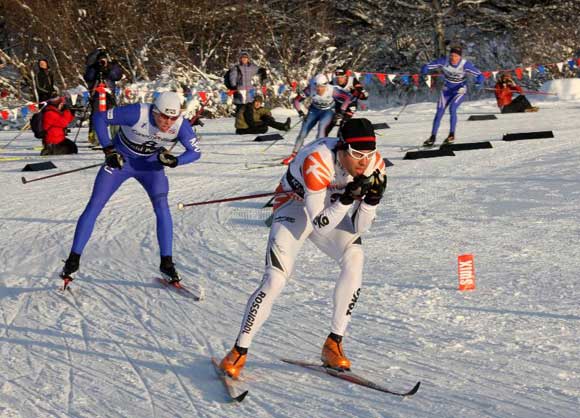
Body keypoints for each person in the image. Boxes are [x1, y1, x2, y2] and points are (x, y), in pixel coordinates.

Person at [218, 118, 387, 379]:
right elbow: (319, 224)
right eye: (356, 154)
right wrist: (345, 199)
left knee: (355, 256)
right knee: (275, 279)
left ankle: (334, 343)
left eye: (369, 154)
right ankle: (239, 350)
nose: (363, 162)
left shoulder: (375, 165)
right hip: (295, 208)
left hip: (330, 208)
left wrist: (371, 201)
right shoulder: (318, 160)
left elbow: (361, 227)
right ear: (341, 149)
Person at [59, 92, 201, 287]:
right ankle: (73, 260)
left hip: (150, 166)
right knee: (95, 205)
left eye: (173, 117)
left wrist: (176, 161)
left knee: (162, 207)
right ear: (154, 111)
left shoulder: (181, 125)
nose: (168, 122)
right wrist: (108, 150)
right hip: (121, 162)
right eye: (163, 117)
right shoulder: (137, 112)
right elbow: (99, 118)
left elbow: (195, 152)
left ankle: (167, 263)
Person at [282, 74, 353, 165]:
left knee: (321, 131)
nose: (319, 89)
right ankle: (294, 155)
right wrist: (300, 112)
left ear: (326, 85)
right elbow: (296, 100)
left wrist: (342, 111)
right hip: (314, 111)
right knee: (302, 133)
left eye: (322, 87)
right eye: (317, 87)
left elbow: (348, 98)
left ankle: (319, 155)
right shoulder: (310, 89)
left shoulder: (333, 90)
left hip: (327, 111)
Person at [420, 46, 483, 146]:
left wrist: (479, 83)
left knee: (452, 109)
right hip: (447, 90)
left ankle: (451, 135)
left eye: (456, 56)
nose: (453, 58)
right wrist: (424, 72)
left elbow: (479, 75)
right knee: (439, 111)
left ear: (460, 57)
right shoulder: (444, 61)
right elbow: (427, 66)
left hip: (459, 90)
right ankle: (432, 137)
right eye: (452, 55)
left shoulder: (465, 64)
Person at [84, 48, 123, 145]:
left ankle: (116, 136)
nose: (102, 62)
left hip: (109, 93)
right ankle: (94, 136)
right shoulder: (93, 68)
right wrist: (96, 69)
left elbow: (117, 76)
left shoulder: (111, 66)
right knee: (96, 114)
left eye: (104, 60)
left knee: (113, 114)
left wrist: (107, 69)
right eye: (100, 60)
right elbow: (88, 77)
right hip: (96, 94)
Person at [328, 67, 368, 135]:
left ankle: (345, 135)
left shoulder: (352, 81)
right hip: (339, 105)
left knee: (344, 122)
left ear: (346, 76)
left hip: (351, 104)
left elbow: (364, 96)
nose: (339, 79)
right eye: (337, 77)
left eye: (341, 77)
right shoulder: (333, 82)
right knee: (331, 123)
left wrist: (357, 92)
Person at [228, 51, 267, 115]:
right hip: (240, 91)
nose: (244, 59)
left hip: (250, 91)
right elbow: (232, 78)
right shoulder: (236, 68)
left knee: (250, 109)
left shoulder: (251, 67)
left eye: (246, 57)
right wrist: (233, 87)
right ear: (240, 58)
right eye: (243, 57)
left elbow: (259, 70)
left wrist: (263, 72)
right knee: (240, 110)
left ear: (248, 59)